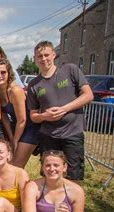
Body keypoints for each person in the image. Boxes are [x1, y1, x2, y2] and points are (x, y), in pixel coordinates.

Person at [27, 41, 93, 181]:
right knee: (49, 175)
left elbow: (88, 95)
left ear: (53, 55)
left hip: (72, 133)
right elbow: (33, 116)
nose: (43, 59)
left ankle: (70, 203)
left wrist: (64, 109)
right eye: (40, 56)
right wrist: (44, 116)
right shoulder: (33, 85)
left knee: (73, 176)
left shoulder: (70, 70)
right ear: (35, 58)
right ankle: (51, 202)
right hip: (48, 136)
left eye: (46, 55)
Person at [0, 58, 40, 168]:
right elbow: (4, 118)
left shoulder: (15, 91)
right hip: (16, 127)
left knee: (17, 164)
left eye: (3, 72)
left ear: (9, 73)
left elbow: (22, 120)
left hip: (30, 126)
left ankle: (23, 184)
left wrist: (15, 141)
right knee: (8, 163)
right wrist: (11, 138)